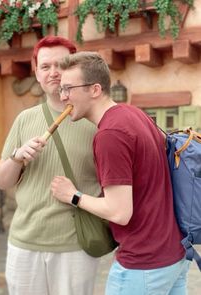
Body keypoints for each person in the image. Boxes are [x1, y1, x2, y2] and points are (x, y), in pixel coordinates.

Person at [51, 51, 190, 295]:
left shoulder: (109, 135)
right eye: (61, 90)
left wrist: (73, 195)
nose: (63, 97)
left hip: (143, 265)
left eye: (68, 89)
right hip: (175, 257)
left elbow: (119, 212)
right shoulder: (134, 114)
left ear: (95, 89)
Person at [0, 37, 101, 295]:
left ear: (76, 70)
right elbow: (2, 181)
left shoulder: (96, 122)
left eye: (61, 65)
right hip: (24, 244)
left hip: (75, 247)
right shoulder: (24, 119)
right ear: (36, 72)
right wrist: (17, 157)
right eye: (45, 66)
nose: (53, 72)